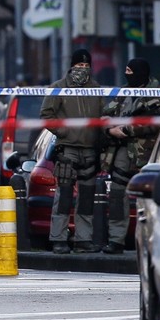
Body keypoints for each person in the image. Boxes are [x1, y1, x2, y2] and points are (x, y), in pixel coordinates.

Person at [100, 58, 160, 254]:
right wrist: (109, 130)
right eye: (126, 71)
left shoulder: (159, 95)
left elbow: (157, 122)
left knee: (151, 199)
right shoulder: (124, 93)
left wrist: (128, 129)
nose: (128, 75)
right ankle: (116, 240)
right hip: (123, 151)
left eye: (131, 71)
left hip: (150, 155)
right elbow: (104, 115)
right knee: (116, 194)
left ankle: (156, 242)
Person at [40, 48, 105, 254]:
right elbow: (46, 115)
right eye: (79, 65)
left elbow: (104, 115)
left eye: (86, 66)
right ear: (71, 66)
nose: (83, 69)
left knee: (86, 197)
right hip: (67, 149)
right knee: (64, 196)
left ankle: (83, 239)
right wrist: (63, 131)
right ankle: (58, 238)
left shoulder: (96, 89)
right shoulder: (58, 88)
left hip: (89, 150)